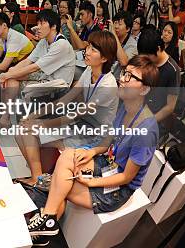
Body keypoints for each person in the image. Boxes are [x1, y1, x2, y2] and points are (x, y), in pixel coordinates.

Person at [27, 55, 159, 243]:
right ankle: (48, 219)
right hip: (107, 163)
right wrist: (91, 151)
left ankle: (47, 220)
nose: (122, 79)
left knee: (61, 184)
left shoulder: (146, 131)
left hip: (119, 188)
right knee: (68, 157)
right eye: (124, 73)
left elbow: (127, 177)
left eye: (130, 77)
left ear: (145, 89)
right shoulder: (126, 107)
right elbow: (108, 140)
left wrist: (92, 183)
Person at [14, 31, 119, 186]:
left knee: (28, 132)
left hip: (94, 136)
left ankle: (38, 179)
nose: (87, 52)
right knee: (19, 131)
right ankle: (39, 177)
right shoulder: (90, 71)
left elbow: (75, 115)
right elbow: (65, 99)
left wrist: (39, 124)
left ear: (104, 58)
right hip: (80, 126)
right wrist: (34, 115)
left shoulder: (108, 85)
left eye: (93, 50)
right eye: (88, 47)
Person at [0, 10, 75, 88]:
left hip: (57, 85)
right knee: (10, 76)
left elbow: (35, 67)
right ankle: (9, 100)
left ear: (54, 26)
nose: (38, 27)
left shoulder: (61, 44)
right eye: (38, 23)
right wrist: (11, 72)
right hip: (45, 77)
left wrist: (8, 75)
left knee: (10, 77)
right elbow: (28, 61)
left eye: (42, 23)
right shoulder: (44, 40)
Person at [137, 27, 181, 126]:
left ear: (158, 49)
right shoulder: (146, 61)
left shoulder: (172, 70)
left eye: (148, 56)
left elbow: (170, 106)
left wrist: (149, 122)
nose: (145, 60)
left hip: (155, 120)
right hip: (139, 111)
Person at [109, 11, 138, 78]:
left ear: (127, 29)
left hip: (121, 80)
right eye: (115, 23)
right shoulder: (112, 39)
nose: (116, 27)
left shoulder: (133, 45)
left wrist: (114, 35)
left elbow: (124, 62)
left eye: (119, 24)